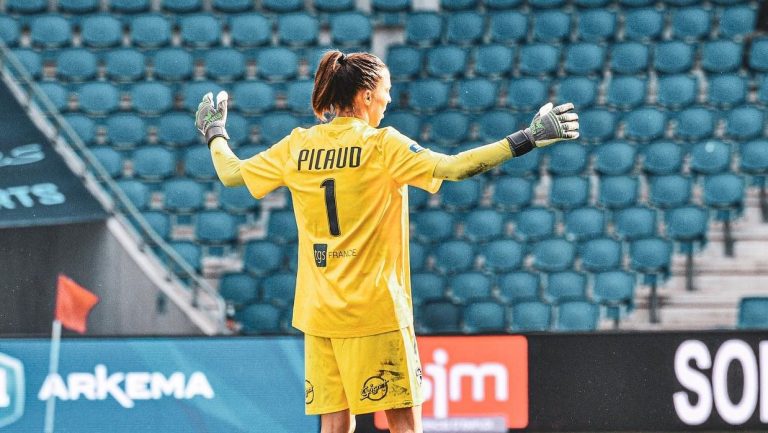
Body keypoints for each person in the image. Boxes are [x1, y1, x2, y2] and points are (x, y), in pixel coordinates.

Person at [196, 50, 579, 433]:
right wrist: (527, 138)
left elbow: (232, 174)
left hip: (320, 312)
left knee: (334, 427)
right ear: (365, 95)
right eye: (386, 90)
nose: (389, 99)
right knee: (404, 427)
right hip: (374, 309)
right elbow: (455, 167)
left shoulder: (298, 146)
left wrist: (215, 133)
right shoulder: (381, 145)